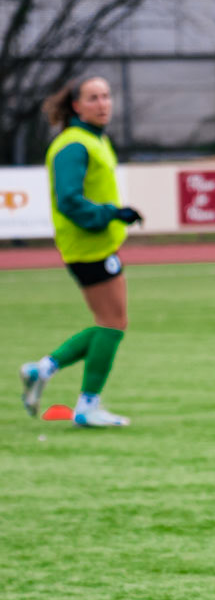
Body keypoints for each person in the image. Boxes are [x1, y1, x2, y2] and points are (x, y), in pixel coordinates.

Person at [20, 75, 143, 428]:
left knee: (112, 324)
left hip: (95, 244)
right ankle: (86, 405)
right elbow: (70, 200)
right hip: (88, 246)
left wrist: (114, 214)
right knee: (113, 324)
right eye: (93, 98)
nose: (102, 104)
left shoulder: (93, 139)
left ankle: (43, 370)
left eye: (106, 96)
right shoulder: (73, 145)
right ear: (76, 106)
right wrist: (110, 214)